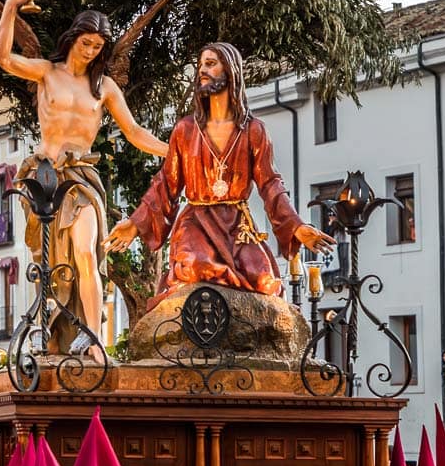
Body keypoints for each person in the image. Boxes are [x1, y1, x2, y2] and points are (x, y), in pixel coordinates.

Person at [0, 0, 168, 356]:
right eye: (87, 43)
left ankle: (93, 339)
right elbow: (4, 58)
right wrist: (10, 6)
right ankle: (51, 331)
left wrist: (173, 151)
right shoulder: (46, 72)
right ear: (73, 39)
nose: (91, 51)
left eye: (98, 46)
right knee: (54, 262)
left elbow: (135, 131)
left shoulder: (103, 87)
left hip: (83, 178)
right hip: (44, 178)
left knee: (87, 251)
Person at [104, 42, 333, 307]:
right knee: (197, 267)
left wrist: (296, 226)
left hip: (237, 225)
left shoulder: (253, 131)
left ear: (231, 70)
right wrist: (135, 224)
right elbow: (166, 183)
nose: (202, 70)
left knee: (264, 281)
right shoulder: (185, 130)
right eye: (201, 64)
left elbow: (270, 184)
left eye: (210, 63)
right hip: (196, 222)